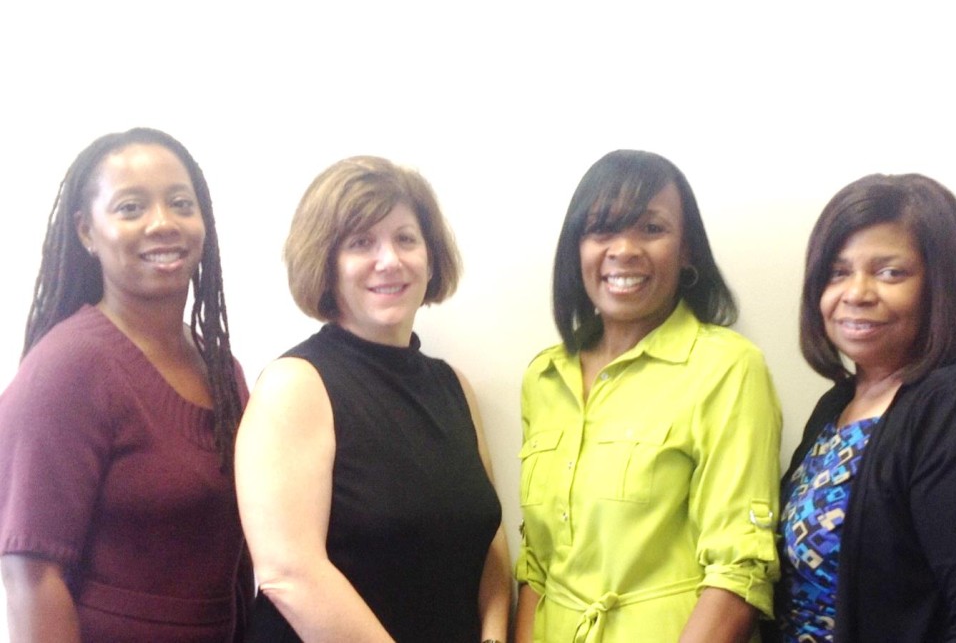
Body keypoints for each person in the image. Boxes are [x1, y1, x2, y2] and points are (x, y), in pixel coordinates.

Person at [236, 155, 510, 643]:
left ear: (431, 255)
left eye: (406, 238)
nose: (390, 260)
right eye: (361, 243)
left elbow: (488, 539)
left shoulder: (454, 388)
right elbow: (289, 574)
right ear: (326, 261)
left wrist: (492, 635)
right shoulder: (294, 385)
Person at [515, 150, 782, 643]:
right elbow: (537, 566)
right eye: (602, 230)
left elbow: (738, 570)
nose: (625, 249)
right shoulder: (544, 377)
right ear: (577, 248)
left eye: (651, 229)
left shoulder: (726, 367)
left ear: (687, 252)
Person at [0, 128, 249, 642]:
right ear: (87, 232)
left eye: (181, 203)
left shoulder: (222, 370)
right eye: (131, 208)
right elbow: (30, 576)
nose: (162, 223)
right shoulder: (67, 369)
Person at [770, 174, 956, 642]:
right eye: (838, 272)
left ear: (941, 285)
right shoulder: (836, 406)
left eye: (890, 272)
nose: (857, 292)